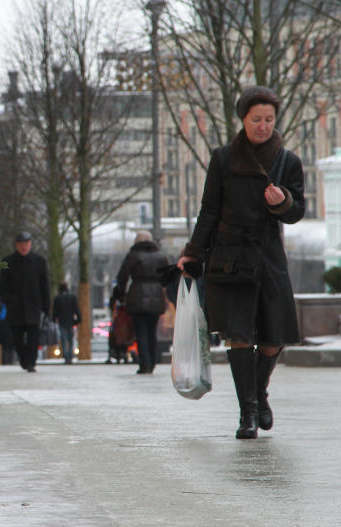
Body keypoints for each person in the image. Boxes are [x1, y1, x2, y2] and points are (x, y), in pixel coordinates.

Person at [177, 85, 304, 440]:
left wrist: (283, 202)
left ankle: (259, 393)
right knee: (238, 337)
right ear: (243, 120)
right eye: (256, 119)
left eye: (269, 119)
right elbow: (210, 210)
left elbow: (298, 211)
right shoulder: (222, 159)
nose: (263, 126)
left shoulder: (287, 161)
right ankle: (247, 411)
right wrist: (192, 252)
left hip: (268, 258)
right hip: (230, 259)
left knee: (272, 340)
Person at [112, 231, 169, 375]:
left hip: (137, 295)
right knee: (152, 331)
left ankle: (145, 364)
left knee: (141, 332)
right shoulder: (160, 255)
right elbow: (168, 276)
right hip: (156, 296)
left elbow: (122, 276)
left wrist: (120, 294)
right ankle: (153, 361)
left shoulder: (133, 255)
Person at [0, 231, 50, 372]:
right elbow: (3, 286)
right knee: (17, 338)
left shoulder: (39, 261)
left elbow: (45, 286)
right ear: (17, 245)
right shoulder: (7, 262)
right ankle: (23, 359)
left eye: (26, 244)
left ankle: (31, 363)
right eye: (21, 244)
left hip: (34, 306)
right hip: (15, 308)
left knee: (34, 337)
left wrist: (46, 307)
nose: (24, 247)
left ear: (30, 244)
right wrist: (8, 300)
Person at [52, 281, 81, 364]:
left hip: (62, 321)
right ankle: (70, 355)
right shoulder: (72, 297)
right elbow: (76, 309)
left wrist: (54, 319)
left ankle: (65, 355)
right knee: (71, 339)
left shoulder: (57, 298)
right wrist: (79, 319)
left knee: (63, 339)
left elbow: (55, 310)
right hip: (71, 321)